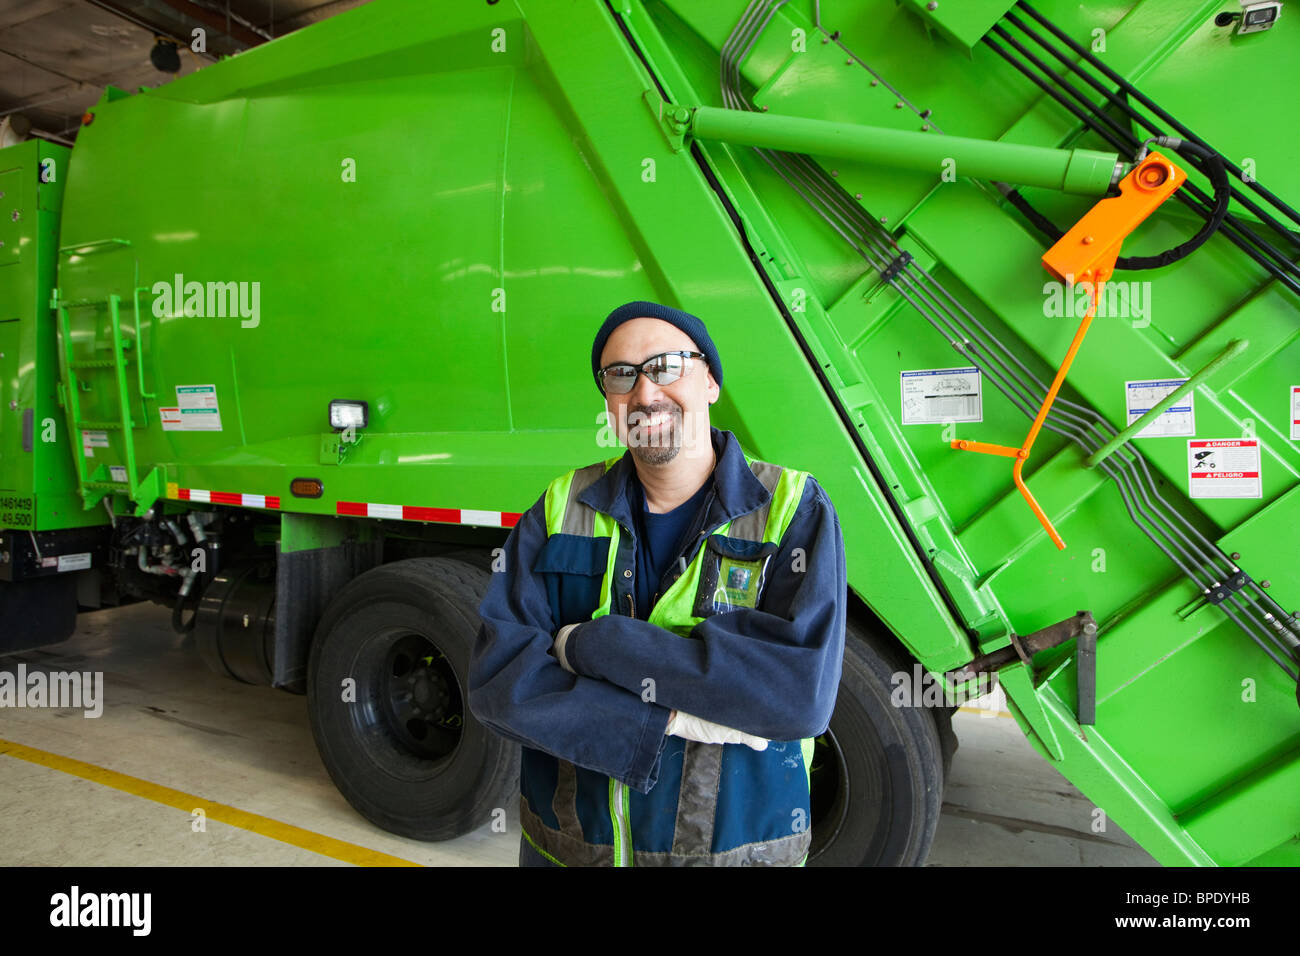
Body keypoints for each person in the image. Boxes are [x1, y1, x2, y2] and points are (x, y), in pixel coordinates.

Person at [468, 300, 846, 867]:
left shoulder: (793, 510)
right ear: (608, 400)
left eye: (667, 365)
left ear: (711, 381)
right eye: (621, 375)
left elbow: (797, 697)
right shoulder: (559, 508)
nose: (645, 394)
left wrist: (590, 645)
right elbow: (499, 680)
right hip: (568, 851)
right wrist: (662, 717)